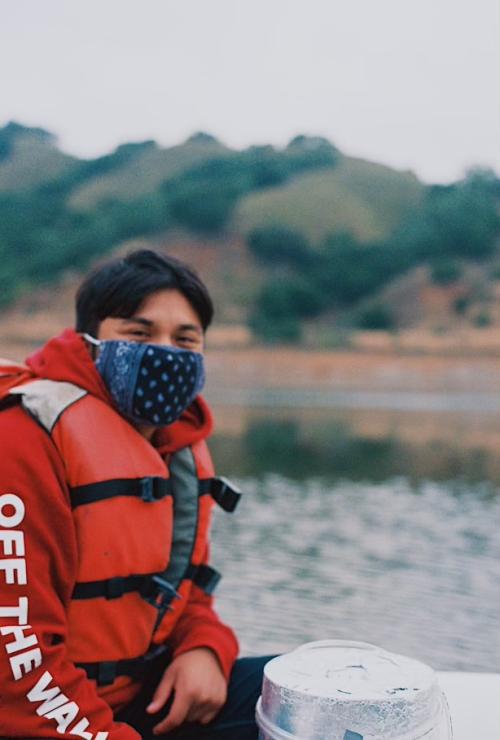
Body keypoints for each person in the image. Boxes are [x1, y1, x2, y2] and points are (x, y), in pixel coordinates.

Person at [0, 250, 271, 739]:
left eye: (185, 339)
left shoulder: (174, 445)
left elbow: (183, 596)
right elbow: (16, 656)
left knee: (311, 695)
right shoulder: (22, 441)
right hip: (40, 719)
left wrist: (203, 648)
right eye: (139, 334)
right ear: (91, 341)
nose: (165, 352)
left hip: (140, 705)